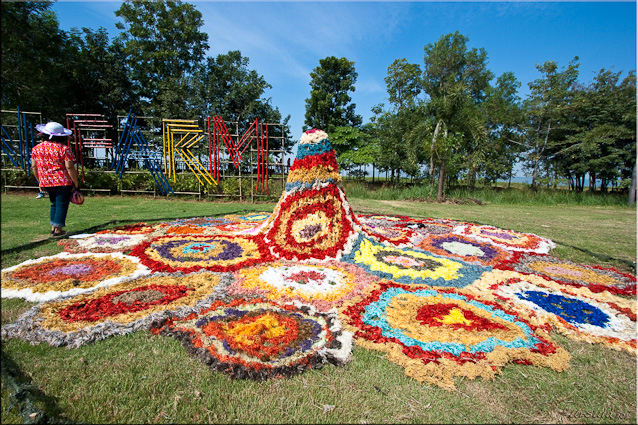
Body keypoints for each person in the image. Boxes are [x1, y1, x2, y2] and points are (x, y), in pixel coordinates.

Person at [31, 122, 80, 237]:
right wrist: (76, 183)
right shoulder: (63, 149)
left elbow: (34, 166)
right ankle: (58, 229)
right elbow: (69, 167)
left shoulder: (36, 149)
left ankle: (54, 227)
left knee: (54, 203)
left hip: (46, 180)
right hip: (62, 180)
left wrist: (39, 180)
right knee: (62, 204)